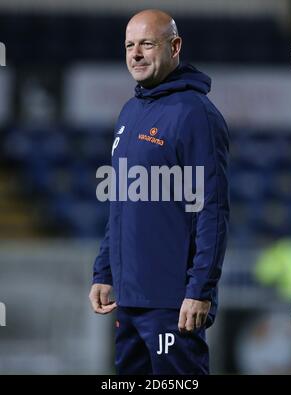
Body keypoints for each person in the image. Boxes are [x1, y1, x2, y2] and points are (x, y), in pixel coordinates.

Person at [89, 9, 229, 375]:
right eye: (129, 45)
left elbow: (212, 211)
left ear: (175, 46)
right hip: (129, 298)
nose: (135, 53)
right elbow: (120, 202)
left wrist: (200, 290)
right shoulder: (129, 111)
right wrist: (104, 271)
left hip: (173, 301)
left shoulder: (196, 115)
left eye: (146, 44)